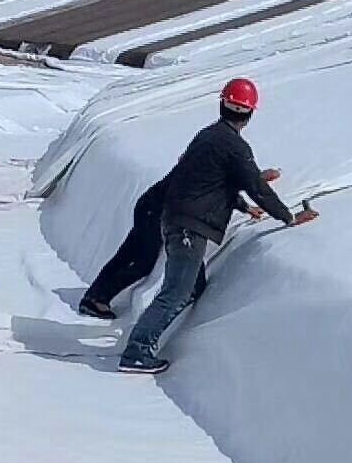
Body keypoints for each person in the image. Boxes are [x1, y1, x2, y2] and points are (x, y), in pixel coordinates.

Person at [118, 78, 317, 374]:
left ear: (222, 103)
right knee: (176, 292)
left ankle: (158, 338)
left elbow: (212, 182)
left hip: (174, 219)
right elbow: (254, 185)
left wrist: (244, 206)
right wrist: (288, 217)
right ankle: (136, 351)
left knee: (192, 287)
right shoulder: (235, 147)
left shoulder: (207, 137)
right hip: (190, 229)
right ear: (250, 114)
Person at [78, 167, 279, 320]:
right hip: (156, 211)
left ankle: (95, 296)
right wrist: (248, 203)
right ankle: (98, 298)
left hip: (150, 205)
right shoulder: (207, 166)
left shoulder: (203, 158)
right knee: (142, 263)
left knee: (127, 254)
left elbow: (223, 182)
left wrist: (254, 183)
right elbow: (219, 187)